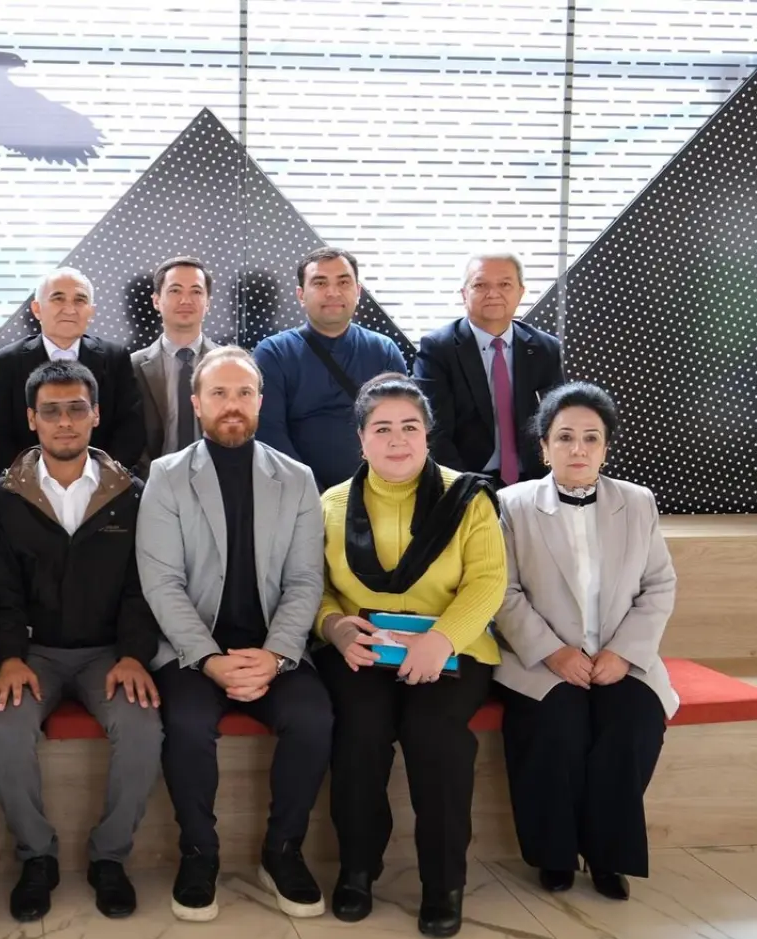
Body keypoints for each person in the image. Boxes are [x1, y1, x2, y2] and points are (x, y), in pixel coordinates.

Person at [136, 345, 333, 923]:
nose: (232, 405)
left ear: (260, 402)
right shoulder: (166, 477)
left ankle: (283, 850)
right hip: (192, 649)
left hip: (274, 647)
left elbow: (305, 580)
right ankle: (199, 853)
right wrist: (209, 659)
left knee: (314, 718)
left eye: (244, 393)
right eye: (219, 393)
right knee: (187, 724)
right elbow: (162, 583)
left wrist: (276, 656)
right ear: (197, 403)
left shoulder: (297, 479)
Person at [312, 372, 506, 939]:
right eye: (382, 429)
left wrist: (442, 640)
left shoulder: (466, 498)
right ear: (361, 439)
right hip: (362, 648)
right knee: (360, 731)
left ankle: (443, 883)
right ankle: (357, 870)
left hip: (451, 648)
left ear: (427, 434)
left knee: (435, 735)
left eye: (409, 427)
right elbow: (312, 585)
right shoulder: (330, 504)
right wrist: (334, 628)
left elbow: (488, 581)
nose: (397, 439)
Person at [0, 359, 164, 922]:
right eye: (51, 411)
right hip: (32, 654)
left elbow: (143, 585)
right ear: (32, 420)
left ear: (96, 415)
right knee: (5, 729)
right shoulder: (2, 497)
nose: (65, 422)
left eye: (76, 409)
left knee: (142, 726)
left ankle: (109, 857)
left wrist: (133, 655)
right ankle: (36, 857)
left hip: (107, 654)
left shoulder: (133, 495)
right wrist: (8, 658)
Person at [494, 382, 678, 902]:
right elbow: (501, 590)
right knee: (555, 728)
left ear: (605, 448)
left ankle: (606, 856)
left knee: (633, 725)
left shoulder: (637, 502)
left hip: (623, 656)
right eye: (565, 437)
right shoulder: (512, 505)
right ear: (544, 447)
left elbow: (659, 584)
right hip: (540, 658)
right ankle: (554, 855)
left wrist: (623, 653)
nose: (578, 448)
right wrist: (553, 652)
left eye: (590, 438)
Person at [253, 247, 407, 491]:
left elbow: (403, 428)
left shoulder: (383, 350)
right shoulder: (273, 353)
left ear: (358, 291)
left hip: (378, 493)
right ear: (301, 294)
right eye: (320, 283)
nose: (333, 292)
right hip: (298, 496)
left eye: (343, 282)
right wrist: (314, 494)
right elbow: (270, 435)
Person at [413, 253, 565, 487]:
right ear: (464, 294)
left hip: (535, 481)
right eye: (480, 285)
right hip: (465, 480)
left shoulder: (544, 348)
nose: (493, 293)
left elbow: (558, 420)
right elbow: (434, 431)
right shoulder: (438, 349)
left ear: (520, 292)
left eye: (504, 284)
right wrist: (465, 488)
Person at [0, 267, 145, 474]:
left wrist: (102, 478)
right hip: (28, 483)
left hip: (103, 482)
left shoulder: (115, 357)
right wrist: (29, 481)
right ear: (37, 309)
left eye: (80, 300)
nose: (69, 309)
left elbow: (130, 429)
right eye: (58, 299)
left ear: (91, 311)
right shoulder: (8, 361)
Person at [130, 256, 222, 476]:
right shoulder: (132, 366)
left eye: (196, 291)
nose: (185, 300)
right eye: (175, 291)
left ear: (208, 302)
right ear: (156, 300)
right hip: (153, 481)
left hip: (218, 478)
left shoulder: (227, 365)